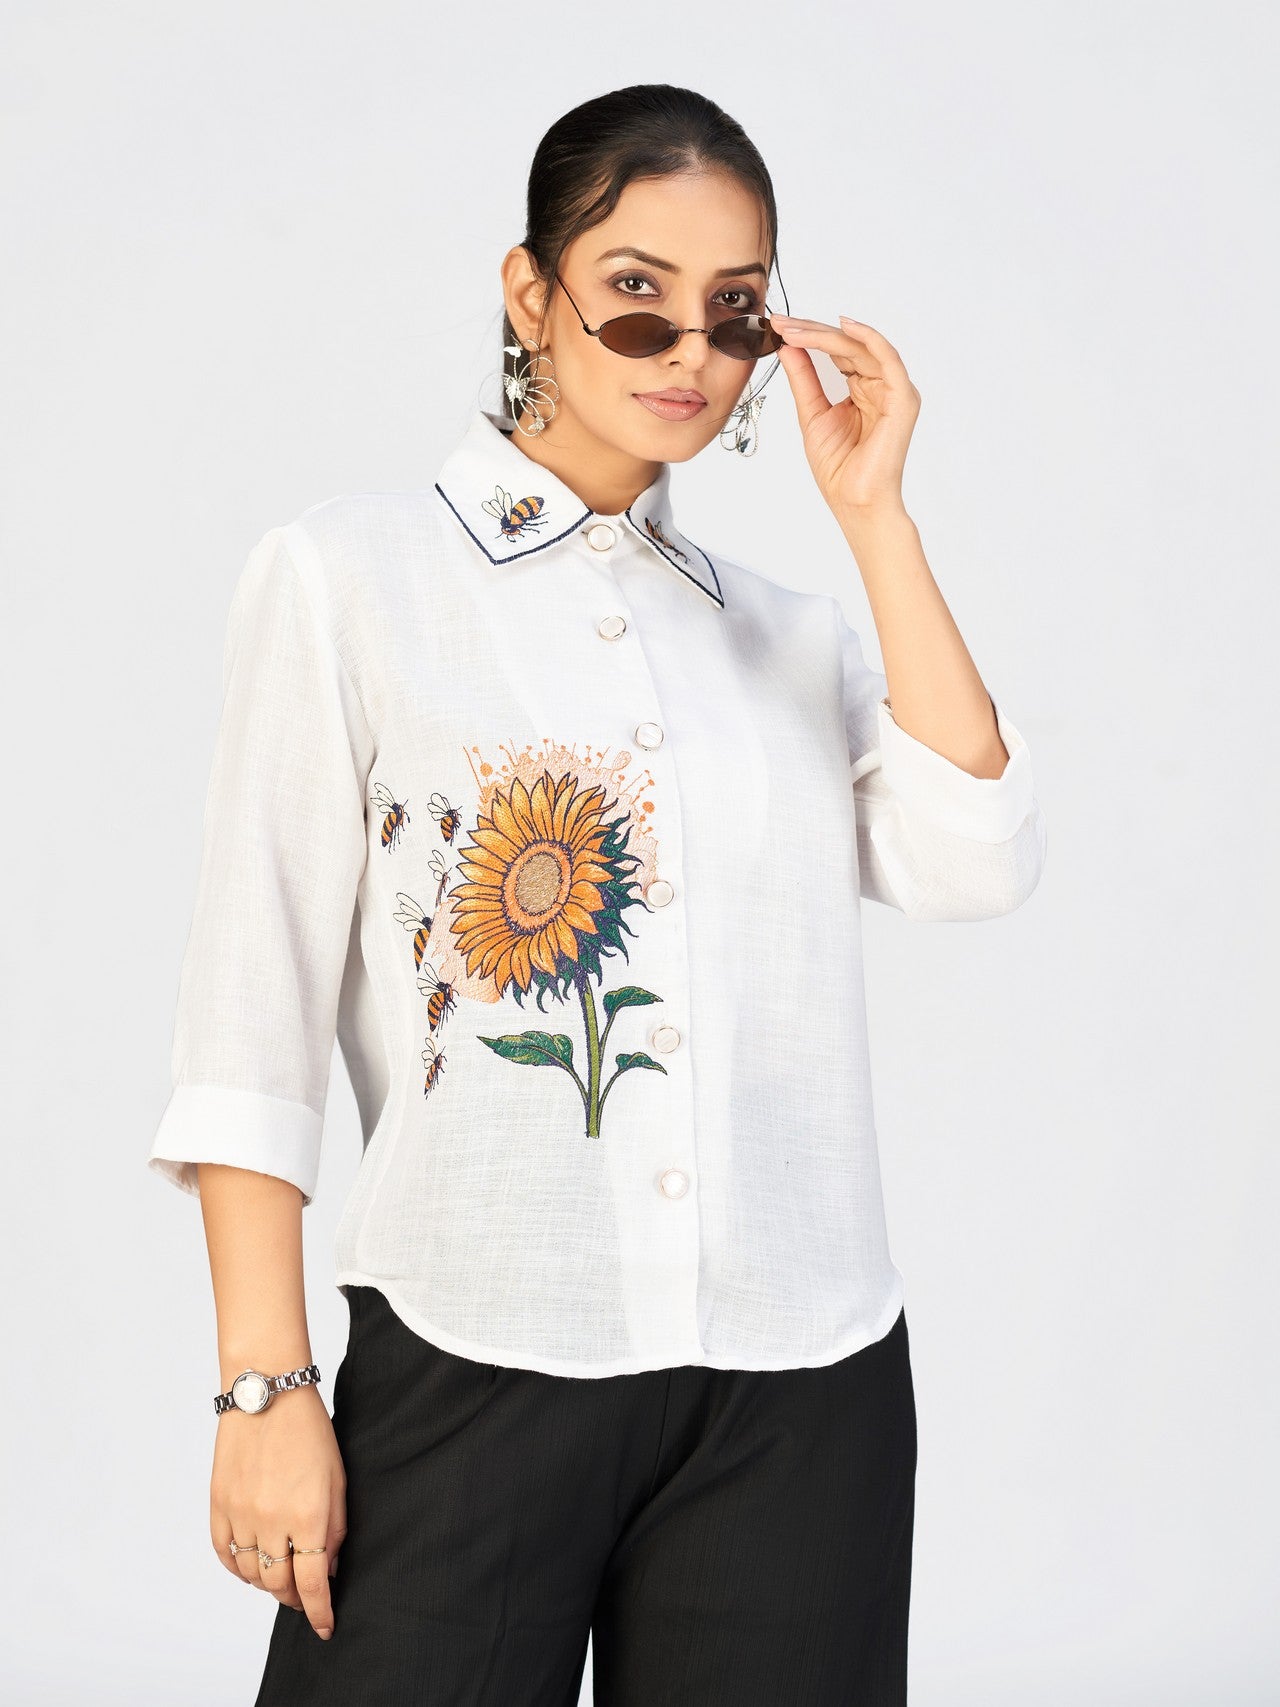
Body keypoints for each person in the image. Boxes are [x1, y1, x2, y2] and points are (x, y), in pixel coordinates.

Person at [147, 82, 1046, 1706]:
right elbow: (248, 1014)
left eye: (734, 310)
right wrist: (262, 1387)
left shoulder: (788, 635)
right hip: (479, 1342)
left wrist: (875, 519)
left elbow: (975, 855)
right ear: (530, 291)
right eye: (636, 294)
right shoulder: (352, 580)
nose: (687, 350)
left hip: (801, 1379)